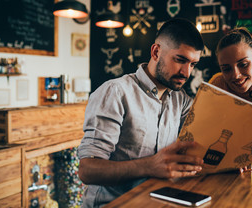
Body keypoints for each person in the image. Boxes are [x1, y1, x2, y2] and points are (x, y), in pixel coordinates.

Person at [78, 18, 205, 207]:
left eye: (193, 64)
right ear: (156, 52)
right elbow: (87, 170)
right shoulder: (115, 92)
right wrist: (149, 165)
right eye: (180, 60)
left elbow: (206, 137)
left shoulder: (181, 99)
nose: (187, 72)